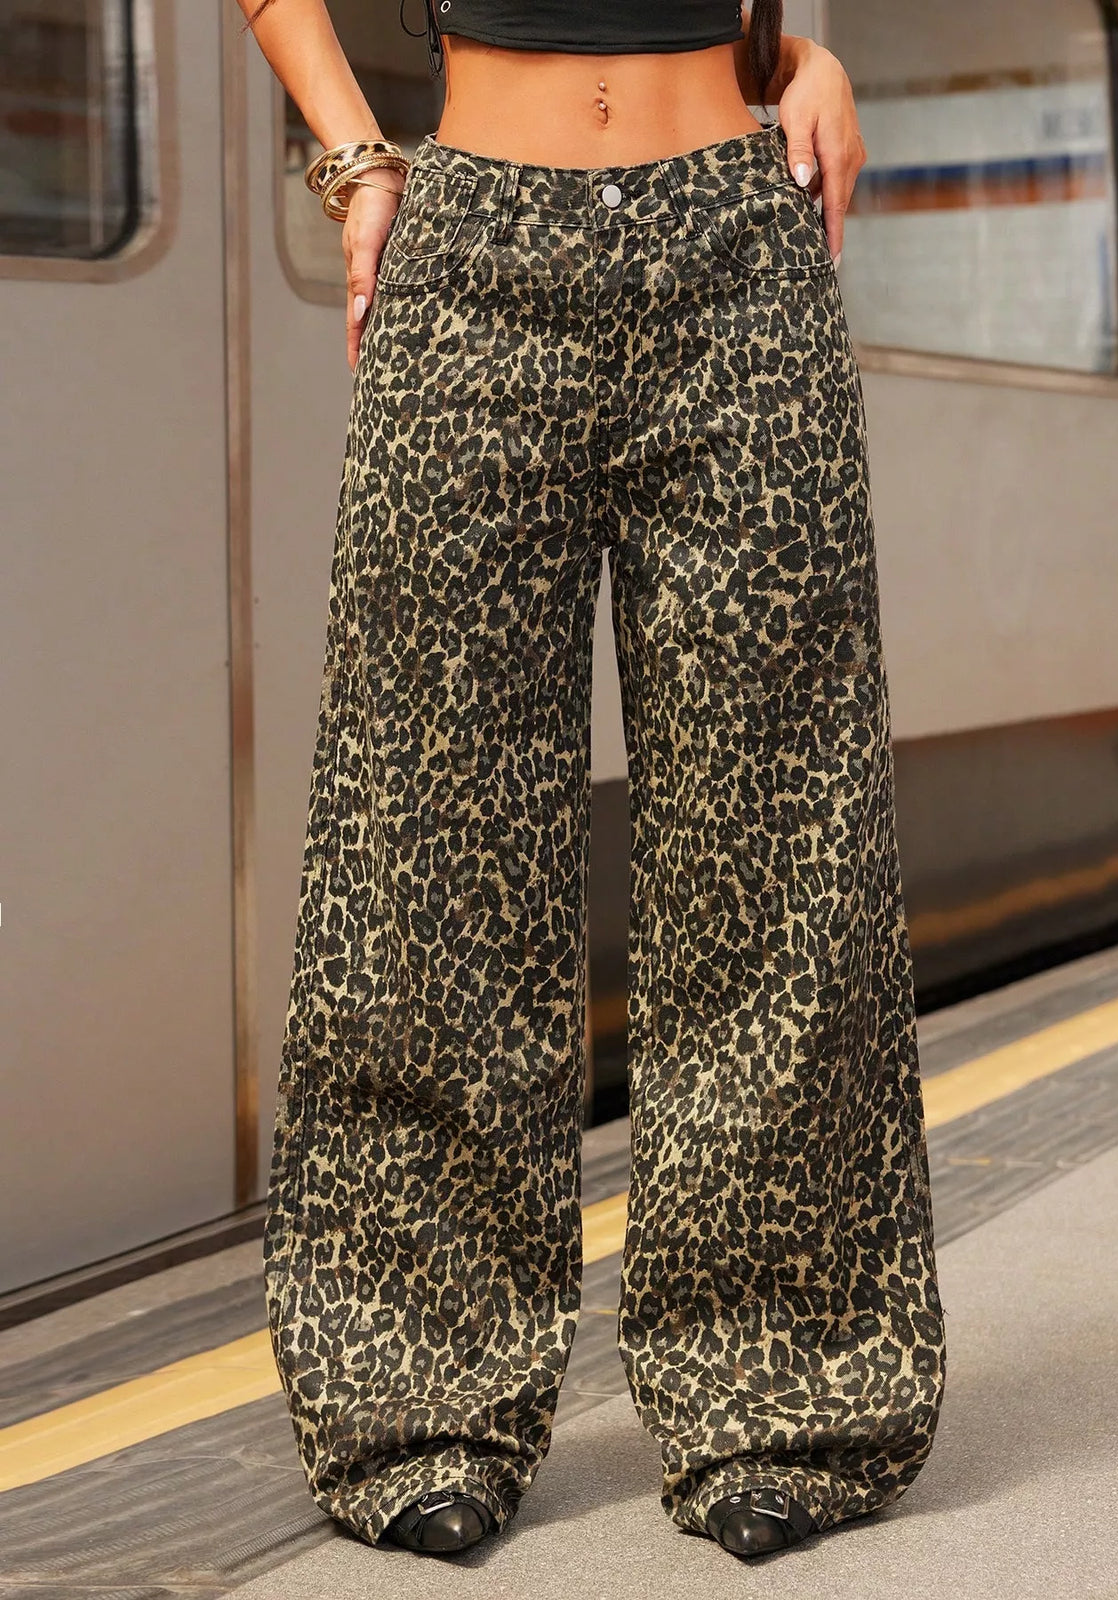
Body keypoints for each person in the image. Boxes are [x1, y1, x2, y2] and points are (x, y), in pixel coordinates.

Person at [239, 0, 948, 1564]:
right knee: (424, 845)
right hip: (470, 253)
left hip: (736, 249)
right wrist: (354, 152)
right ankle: (418, 1394)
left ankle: (783, 1387)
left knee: (779, 846)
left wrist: (795, 61)